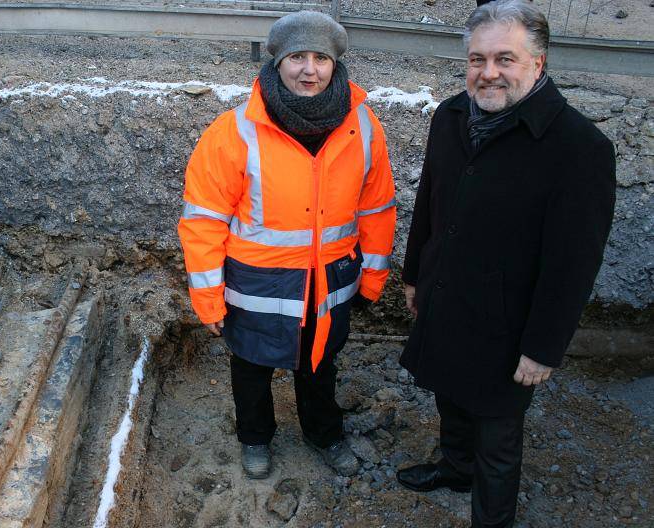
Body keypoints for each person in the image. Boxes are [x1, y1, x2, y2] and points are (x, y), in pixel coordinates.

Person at [395, 1, 616, 526]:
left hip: (508, 321)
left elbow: (574, 262)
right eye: (477, 59)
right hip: (447, 292)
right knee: (448, 393)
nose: (487, 73)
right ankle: (454, 465)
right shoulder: (452, 116)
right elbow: (430, 200)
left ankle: (491, 517)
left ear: (538, 63)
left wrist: (543, 348)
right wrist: (412, 275)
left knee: (497, 434)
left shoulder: (579, 147)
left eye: (504, 60)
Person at [177, 10, 396, 479]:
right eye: (298, 56)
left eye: (320, 57)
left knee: (319, 367)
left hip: (328, 283)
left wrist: (373, 277)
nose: (309, 69)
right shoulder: (234, 131)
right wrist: (208, 299)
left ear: (336, 65)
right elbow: (203, 222)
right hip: (256, 284)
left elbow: (376, 208)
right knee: (251, 370)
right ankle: (255, 439)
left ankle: (324, 433)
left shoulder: (364, 127)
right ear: (277, 63)